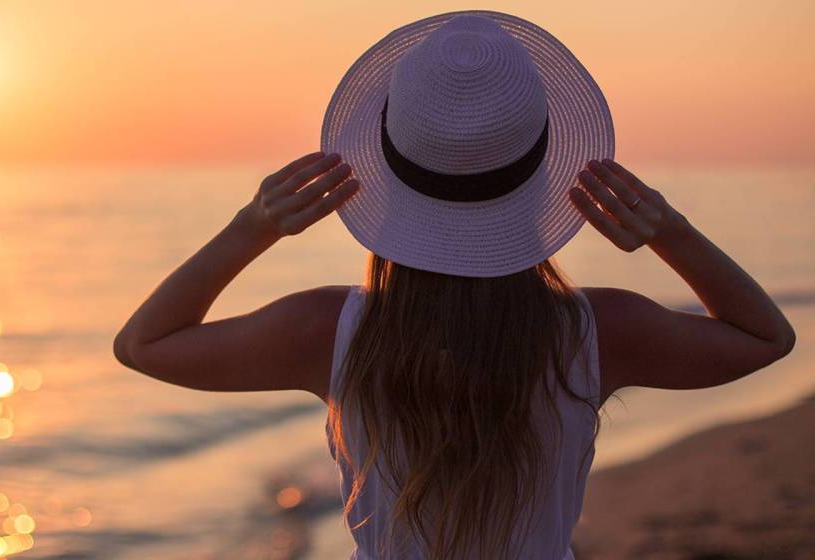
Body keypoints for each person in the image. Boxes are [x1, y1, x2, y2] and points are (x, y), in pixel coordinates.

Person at [112, 10, 796, 560]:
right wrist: (666, 230)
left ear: (385, 167)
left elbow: (145, 344)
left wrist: (251, 227)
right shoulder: (596, 332)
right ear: (542, 180)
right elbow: (764, 336)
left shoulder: (327, 333)